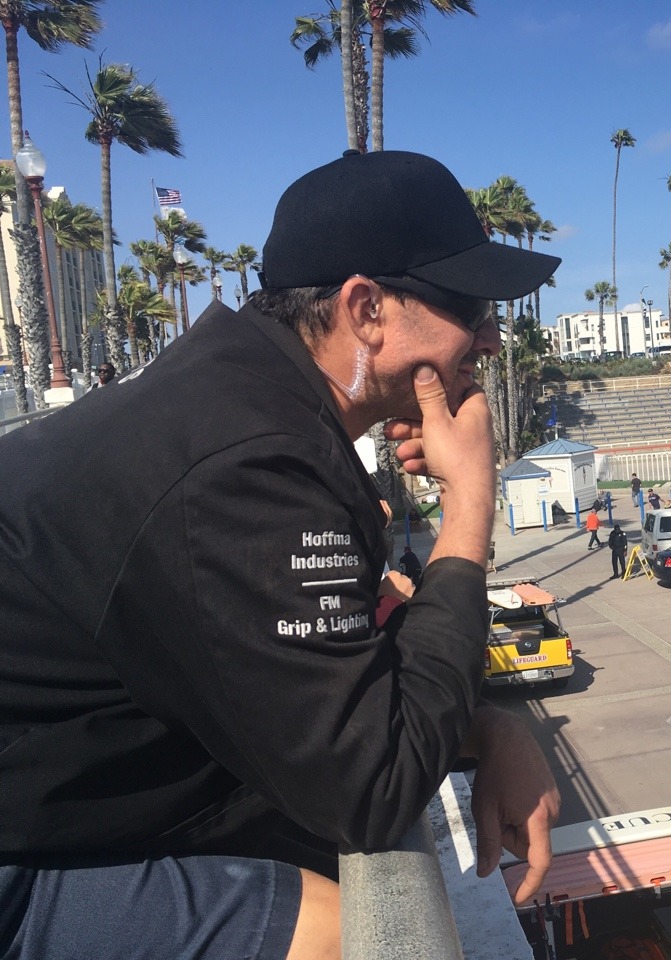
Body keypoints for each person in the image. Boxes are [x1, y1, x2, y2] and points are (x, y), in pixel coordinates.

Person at [0, 149, 564, 958]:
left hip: (76, 788)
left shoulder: (251, 401)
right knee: (344, 939)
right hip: (20, 854)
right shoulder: (246, 463)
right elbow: (374, 784)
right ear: (366, 308)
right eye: (468, 307)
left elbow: (337, 696)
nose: (491, 338)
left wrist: (488, 727)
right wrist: (470, 504)